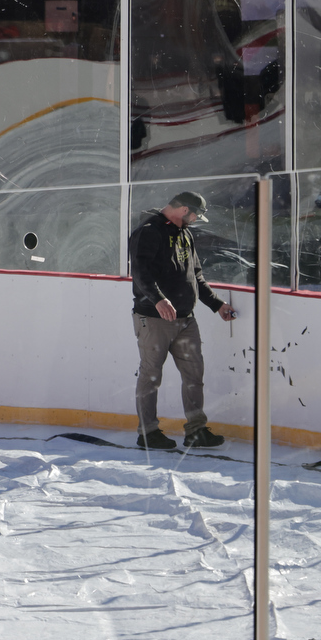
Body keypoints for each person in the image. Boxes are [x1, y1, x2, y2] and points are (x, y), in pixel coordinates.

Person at [129, 190, 237, 450]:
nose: (196, 219)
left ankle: (196, 431)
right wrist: (157, 299)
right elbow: (140, 271)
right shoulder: (149, 231)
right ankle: (148, 433)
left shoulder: (185, 234)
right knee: (150, 376)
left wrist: (216, 304)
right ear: (184, 210)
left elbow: (195, 276)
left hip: (186, 321)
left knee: (194, 375)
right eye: (196, 214)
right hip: (154, 319)